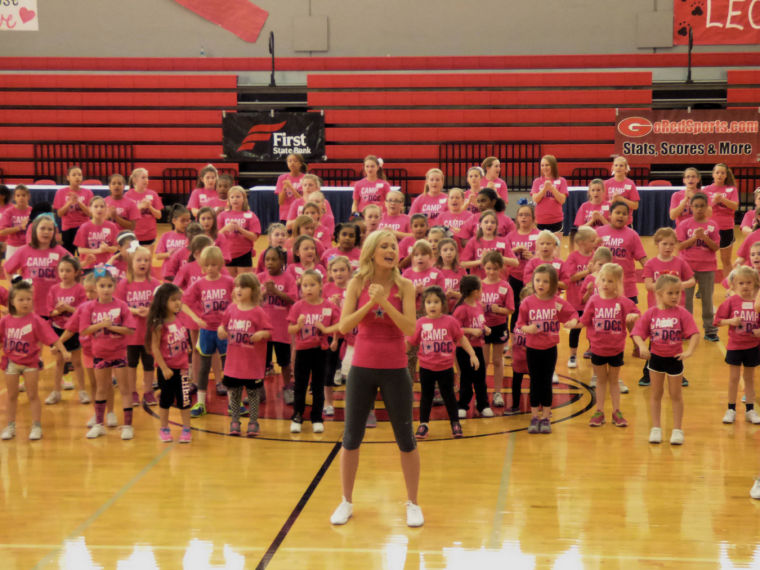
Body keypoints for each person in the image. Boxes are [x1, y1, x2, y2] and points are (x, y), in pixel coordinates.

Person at [330, 229, 422, 528]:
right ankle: (346, 500)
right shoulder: (358, 283)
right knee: (351, 437)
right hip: (362, 367)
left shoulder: (406, 285)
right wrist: (371, 303)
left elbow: (409, 328)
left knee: (406, 439)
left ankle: (413, 503)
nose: (391, 250)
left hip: (396, 367)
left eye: (394, 246)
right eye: (384, 246)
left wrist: (385, 301)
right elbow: (344, 324)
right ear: (371, 252)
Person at [632, 275, 699, 445]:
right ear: (660, 293)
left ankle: (677, 429)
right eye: (671, 293)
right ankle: (656, 428)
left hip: (675, 359)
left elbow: (695, 333)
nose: (675, 296)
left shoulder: (682, 312)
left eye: (678, 293)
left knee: (676, 395)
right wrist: (643, 347)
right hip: (656, 360)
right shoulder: (651, 313)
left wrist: (689, 351)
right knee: (656, 394)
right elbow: (637, 333)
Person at [0, 281, 71, 441]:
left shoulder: (35, 320)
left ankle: (36, 426)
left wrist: (64, 350)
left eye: (28, 299)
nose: (25, 303)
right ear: (12, 301)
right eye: (21, 300)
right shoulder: (5, 321)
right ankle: (10, 426)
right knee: (11, 396)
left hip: (30, 363)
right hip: (11, 363)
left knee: (33, 395)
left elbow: (52, 337)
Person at [517, 264, 579, 434]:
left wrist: (573, 322)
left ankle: (545, 417)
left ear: (553, 284)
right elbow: (520, 323)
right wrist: (527, 329)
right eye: (537, 280)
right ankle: (534, 416)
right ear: (533, 282)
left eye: (545, 281)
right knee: (535, 382)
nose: (541, 284)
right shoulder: (527, 302)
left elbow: (573, 314)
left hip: (550, 349)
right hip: (532, 349)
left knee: (546, 383)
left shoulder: (557, 303)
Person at [410, 285, 476, 439]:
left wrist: (472, 354)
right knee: (426, 396)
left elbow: (461, 337)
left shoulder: (450, 321)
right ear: (424, 305)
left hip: (446, 367)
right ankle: (423, 424)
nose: (432, 305)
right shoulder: (420, 323)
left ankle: (455, 422)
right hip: (426, 367)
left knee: (449, 396)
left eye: (436, 302)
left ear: (443, 304)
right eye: (428, 302)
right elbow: (411, 342)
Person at [80, 268, 137, 440]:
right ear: (96, 288)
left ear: (114, 286)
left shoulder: (121, 306)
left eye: (109, 286)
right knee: (101, 389)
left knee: (125, 390)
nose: (105, 289)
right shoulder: (89, 307)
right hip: (100, 354)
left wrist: (111, 326)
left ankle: (127, 426)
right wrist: (100, 325)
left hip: (119, 354)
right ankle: (99, 424)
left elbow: (130, 330)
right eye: (102, 286)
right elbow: (84, 330)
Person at [580, 263, 640, 428]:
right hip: (597, 348)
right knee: (600, 381)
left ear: (618, 283)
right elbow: (584, 320)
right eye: (603, 280)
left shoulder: (623, 302)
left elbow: (636, 313)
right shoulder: (593, 300)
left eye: (610, 281)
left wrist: (632, 317)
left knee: (614, 381)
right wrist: (570, 322)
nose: (606, 284)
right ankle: (599, 411)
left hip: (616, 348)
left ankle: (616, 411)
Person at [218, 273, 272, 437]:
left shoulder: (258, 312)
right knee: (234, 393)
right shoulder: (231, 309)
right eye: (237, 286)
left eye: (244, 287)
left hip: (252, 363)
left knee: (253, 394)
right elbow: (223, 326)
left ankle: (253, 421)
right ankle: (235, 420)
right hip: (234, 363)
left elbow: (269, 332)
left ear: (253, 290)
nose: (239, 290)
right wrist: (221, 330)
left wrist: (261, 334)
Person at [640, 227, 695, 387]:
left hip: (676, 309)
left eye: (672, 244)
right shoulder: (651, 263)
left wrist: (677, 286)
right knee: (655, 341)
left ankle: (678, 373)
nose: (668, 247)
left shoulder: (680, 262)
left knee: (675, 341)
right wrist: (664, 288)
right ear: (657, 244)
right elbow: (648, 285)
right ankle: (647, 372)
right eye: (665, 244)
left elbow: (692, 281)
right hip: (657, 309)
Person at [184, 246, 234, 418]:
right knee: (204, 368)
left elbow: (238, 302)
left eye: (214, 264)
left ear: (220, 264)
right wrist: (196, 319)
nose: (211, 268)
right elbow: (184, 303)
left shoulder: (229, 282)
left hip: (224, 331)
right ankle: (200, 402)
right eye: (208, 265)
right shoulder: (199, 284)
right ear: (202, 267)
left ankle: (233, 402)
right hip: (206, 331)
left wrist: (230, 321)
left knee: (229, 367)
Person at [287, 270, 339, 433]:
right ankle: (297, 416)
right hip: (302, 352)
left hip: (321, 351)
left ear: (320, 286)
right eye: (305, 285)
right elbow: (290, 329)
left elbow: (339, 324)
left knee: (318, 386)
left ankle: (317, 417)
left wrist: (327, 330)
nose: (308, 289)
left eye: (312, 285)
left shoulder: (328, 306)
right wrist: (298, 326)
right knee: (300, 385)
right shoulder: (297, 306)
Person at [146, 283, 194, 443]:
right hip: (166, 370)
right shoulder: (159, 323)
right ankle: (164, 428)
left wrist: (186, 346)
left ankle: (186, 428)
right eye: (173, 300)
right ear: (163, 301)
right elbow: (155, 347)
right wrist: (164, 367)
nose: (178, 303)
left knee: (184, 400)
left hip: (182, 369)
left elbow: (183, 335)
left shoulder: (180, 317)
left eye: (179, 299)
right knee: (166, 400)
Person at [115, 246, 161, 407]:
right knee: (131, 364)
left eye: (146, 260)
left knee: (149, 364)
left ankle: (148, 391)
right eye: (139, 260)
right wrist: (134, 310)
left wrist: (150, 310)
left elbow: (159, 306)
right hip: (130, 333)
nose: (143, 263)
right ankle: (132, 391)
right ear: (131, 262)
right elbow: (118, 307)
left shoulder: (154, 283)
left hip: (148, 333)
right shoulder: (123, 284)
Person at [715, 266, 760, 425]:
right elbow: (717, 321)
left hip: (753, 347)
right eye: (741, 283)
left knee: (749, 378)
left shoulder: (757, 303)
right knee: (733, 378)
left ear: (755, 284)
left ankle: (750, 409)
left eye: (749, 283)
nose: (746, 286)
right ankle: (731, 409)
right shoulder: (731, 302)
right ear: (733, 285)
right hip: (735, 346)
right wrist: (730, 321)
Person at [5, 215, 70, 318]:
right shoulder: (24, 250)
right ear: (35, 230)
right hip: (30, 305)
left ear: (54, 233)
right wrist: (15, 288)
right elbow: (7, 269)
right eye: (42, 228)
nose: (46, 232)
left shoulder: (60, 252)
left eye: (50, 229)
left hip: (54, 306)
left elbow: (76, 270)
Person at [676, 193, 720, 342]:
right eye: (696, 206)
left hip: (707, 268)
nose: (699, 209)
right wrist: (694, 238)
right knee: (686, 300)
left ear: (707, 207)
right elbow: (679, 245)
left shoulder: (712, 225)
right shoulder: (684, 225)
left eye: (702, 206)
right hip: (687, 267)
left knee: (707, 300)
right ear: (691, 207)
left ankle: (710, 329)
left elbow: (715, 247)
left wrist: (705, 237)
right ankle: (687, 329)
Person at [46, 255, 88, 405]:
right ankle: (56, 392)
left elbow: (83, 310)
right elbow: (50, 312)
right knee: (59, 362)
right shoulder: (54, 289)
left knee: (77, 362)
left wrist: (68, 308)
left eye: (68, 270)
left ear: (76, 272)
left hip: (74, 330)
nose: (64, 274)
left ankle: (82, 391)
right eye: (62, 270)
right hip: (58, 329)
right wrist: (58, 311)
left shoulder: (79, 289)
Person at [258, 246, 296, 400]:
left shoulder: (288, 279)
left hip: (281, 330)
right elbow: (253, 302)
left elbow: (293, 300)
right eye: (267, 259)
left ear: (282, 261)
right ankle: (258, 390)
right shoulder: (260, 278)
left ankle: (287, 388)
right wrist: (264, 293)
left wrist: (276, 292)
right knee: (261, 362)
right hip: (262, 329)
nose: (270, 262)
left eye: (274, 259)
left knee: (284, 362)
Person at [453, 275, 492, 418]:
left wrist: (485, 328)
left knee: (480, 377)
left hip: (477, 347)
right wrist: (470, 331)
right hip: (463, 349)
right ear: (475, 291)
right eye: (481, 288)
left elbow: (480, 323)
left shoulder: (478, 306)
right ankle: (463, 404)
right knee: (466, 378)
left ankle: (483, 404)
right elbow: (455, 330)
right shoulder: (461, 310)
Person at [480, 250, 514, 408]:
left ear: (500, 268)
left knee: (498, 360)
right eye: (488, 268)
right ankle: (483, 391)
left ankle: (498, 392)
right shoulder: (479, 285)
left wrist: (497, 309)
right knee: (485, 361)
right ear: (483, 268)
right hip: (483, 327)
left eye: (494, 268)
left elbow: (510, 310)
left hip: (499, 326)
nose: (491, 271)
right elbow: (472, 307)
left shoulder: (505, 286)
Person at [563, 226, 597, 369]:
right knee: (575, 329)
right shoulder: (573, 257)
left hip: (592, 301)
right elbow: (570, 277)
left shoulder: (596, 256)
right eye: (592, 240)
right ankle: (572, 355)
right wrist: (587, 271)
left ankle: (592, 349)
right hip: (575, 301)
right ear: (582, 242)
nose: (595, 243)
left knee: (593, 326)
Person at [323, 255, 352, 415]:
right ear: (330, 272)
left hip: (350, 336)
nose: (339, 273)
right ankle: (328, 402)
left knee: (350, 372)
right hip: (331, 336)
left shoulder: (354, 288)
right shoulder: (326, 288)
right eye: (335, 270)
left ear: (349, 271)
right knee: (328, 370)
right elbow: (321, 311)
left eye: (342, 270)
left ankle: (352, 402)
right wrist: (331, 306)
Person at [507, 204, 539, 333]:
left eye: (527, 215)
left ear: (533, 218)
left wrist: (533, 256)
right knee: (515, 307)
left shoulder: (539, 235)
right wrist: (514, 251)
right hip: (514, 276)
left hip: (533, 278)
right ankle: (513, 338)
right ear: (516, 219)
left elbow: (546, 255)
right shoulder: (510, 236)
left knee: (532, 306)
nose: (524, 217)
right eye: (521, 215)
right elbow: (503, 254)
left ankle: (531, 334)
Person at [702, 163, 739, 278]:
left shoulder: (731, 189)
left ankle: (731, 287)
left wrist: (722, 199)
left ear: (726, 175)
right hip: (709, 229)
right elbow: (703, 209)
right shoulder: (706, 190)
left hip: (726, 228)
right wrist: (714, 202)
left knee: (726, 260)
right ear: (713, 174)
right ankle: (703, 287)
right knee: (705, 260)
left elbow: (735, 206)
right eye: (717, 172)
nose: (720, 175)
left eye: (722, 173)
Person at [217, 185, 261, 277]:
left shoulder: (250, 215)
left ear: (244, 199)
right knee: (229, 283)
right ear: (228, 200)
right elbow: (215, 236)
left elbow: (254, 237)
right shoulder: (222, 215)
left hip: (244, 253)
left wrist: (240, 229)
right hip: (227, 254)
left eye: (238, 196)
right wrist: (226, 228)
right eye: (232, 197)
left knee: (244, 283)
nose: (235, 199)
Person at [460, 210, 518, 279]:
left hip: (499, 281)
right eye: (486, 222)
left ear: (496, 225)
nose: (489, 224)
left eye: (493, 222)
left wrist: (498, 257)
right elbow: (463, 264)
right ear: (480, 225)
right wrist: (481, 261)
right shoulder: (473, 241)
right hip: (479, 282)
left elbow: (515, 263)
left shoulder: (503, 241)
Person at [53, 165, 93, 253]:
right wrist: (69, 202)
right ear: (68, 177)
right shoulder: (61, 192)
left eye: (79, 174)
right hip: (68, 227)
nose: (77, 177)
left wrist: (79, 202)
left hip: (83, 227)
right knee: (68, 255)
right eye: (74, 175)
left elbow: (90, 214)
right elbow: (59, 214)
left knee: (83, 254)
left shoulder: (88, 192)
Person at [504, 287, 531, 416]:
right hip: (519, 357)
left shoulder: (537, 319)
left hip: (532, 358)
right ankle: (515, 405)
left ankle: (537, 405)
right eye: (524, 299)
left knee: (536, 383)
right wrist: (511, 348)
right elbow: (513, 333)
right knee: (516, 382)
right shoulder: (517, 316)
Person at [73, 196, 120, 270]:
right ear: (90, 209)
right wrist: (98, 251)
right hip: (89, 266)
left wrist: (107, 249)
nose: (99, 209)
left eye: (102, 206)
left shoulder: (112, 226)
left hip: (107, 265)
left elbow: (116, 248)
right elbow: (80, 250)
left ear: (106, 209)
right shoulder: (84, 227)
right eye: (95, 206)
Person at [530, 155, 568, 238]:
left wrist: (552, 188)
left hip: (556, 220)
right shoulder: (537, 181)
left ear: (553, 166)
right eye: (542, 165)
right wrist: (544, 189)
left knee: (556, 248)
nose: (544, 167)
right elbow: (535, 200)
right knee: (542, 247)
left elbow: (562, 200)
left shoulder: (561, 181)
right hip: (540, 220)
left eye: (547, 165)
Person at [125, 168, 163, 248]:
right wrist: (139, 207)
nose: (146, 180)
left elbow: (159, 216)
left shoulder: (153, 194)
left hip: (149, 235)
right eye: (143, 177)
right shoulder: (127, 195)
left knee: (147, 260)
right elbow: (125, 217)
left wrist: (150, 207)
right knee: (133, 259)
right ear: (135, 180)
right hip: (133, 235)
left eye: (147, 177)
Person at [604, 157, 639, 226]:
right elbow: (602, 206)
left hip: (626, 223)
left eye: (621, 165)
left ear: (626, 169)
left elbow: (635, 206)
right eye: (616, 165)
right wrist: (613, 201)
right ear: (612, 168)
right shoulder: (606, 183)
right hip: (609, 222)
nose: (618, 168)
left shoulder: (630, 184)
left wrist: (621, 199)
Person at [0, 184, 32, 260]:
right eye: (18, 195)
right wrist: (20, 227)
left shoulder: (32, 211)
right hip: (13, 246)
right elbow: (1, 232)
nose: (21, 198)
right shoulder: (9, 212)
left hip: (28, 245)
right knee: (11, 271)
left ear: (28, 196)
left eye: (23, 195)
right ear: (14, 197)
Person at [275, 154, 307, 224]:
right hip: (286, 214)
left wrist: (291, 187)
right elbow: (280, 202)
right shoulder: (282, 178)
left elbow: (303, 201)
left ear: (300, 164)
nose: (292, 163)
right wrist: (284, 188)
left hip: (301, 213)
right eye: (289, 161)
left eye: (295, 161)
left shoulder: (306, 178)